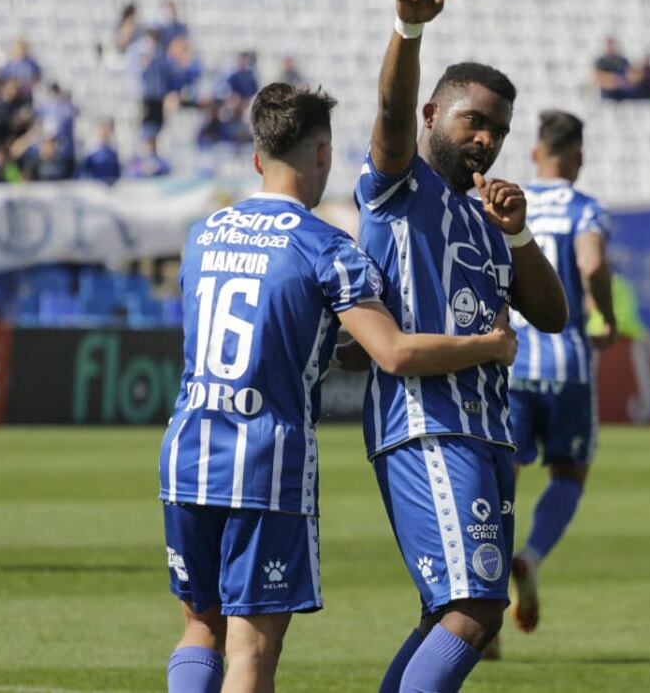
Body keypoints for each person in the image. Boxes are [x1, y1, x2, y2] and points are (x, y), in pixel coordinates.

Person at [158, 81, 518, 693]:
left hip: (187, 449)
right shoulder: (326, 246)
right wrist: (489, 346)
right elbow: (394, 352)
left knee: (201, 625)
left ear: (255, 157)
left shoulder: (203, 234)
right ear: (323, 155)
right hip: (264, 460)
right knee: (251, 652)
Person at [356, 0, 568, 693]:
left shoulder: (486, 216)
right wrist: (407, 31)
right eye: (472, 120)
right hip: (427, 422)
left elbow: (553, 312)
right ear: (432, 117)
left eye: (498, 130)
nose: (485, 139)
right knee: (475, 611)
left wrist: (518, 234)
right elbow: (385, 117)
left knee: (445, 614)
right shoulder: (397, 187)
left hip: (485, 429)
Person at [500, 110, 616, 645]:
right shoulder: (584, 208)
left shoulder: (507, 202)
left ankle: (481, 592)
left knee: (503, 478)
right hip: (566, 362)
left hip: (512, 361)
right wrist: (606, 316)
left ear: (534, 152)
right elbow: (590, 266)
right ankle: (531, 555)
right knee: (569, 474)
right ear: (578, 158)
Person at [79, 119, 121, 184]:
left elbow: (117, 174)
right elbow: (83, 174)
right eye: (102, 132)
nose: (104, 134)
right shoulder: (91, 155)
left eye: (106, 133)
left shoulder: (113, 154)